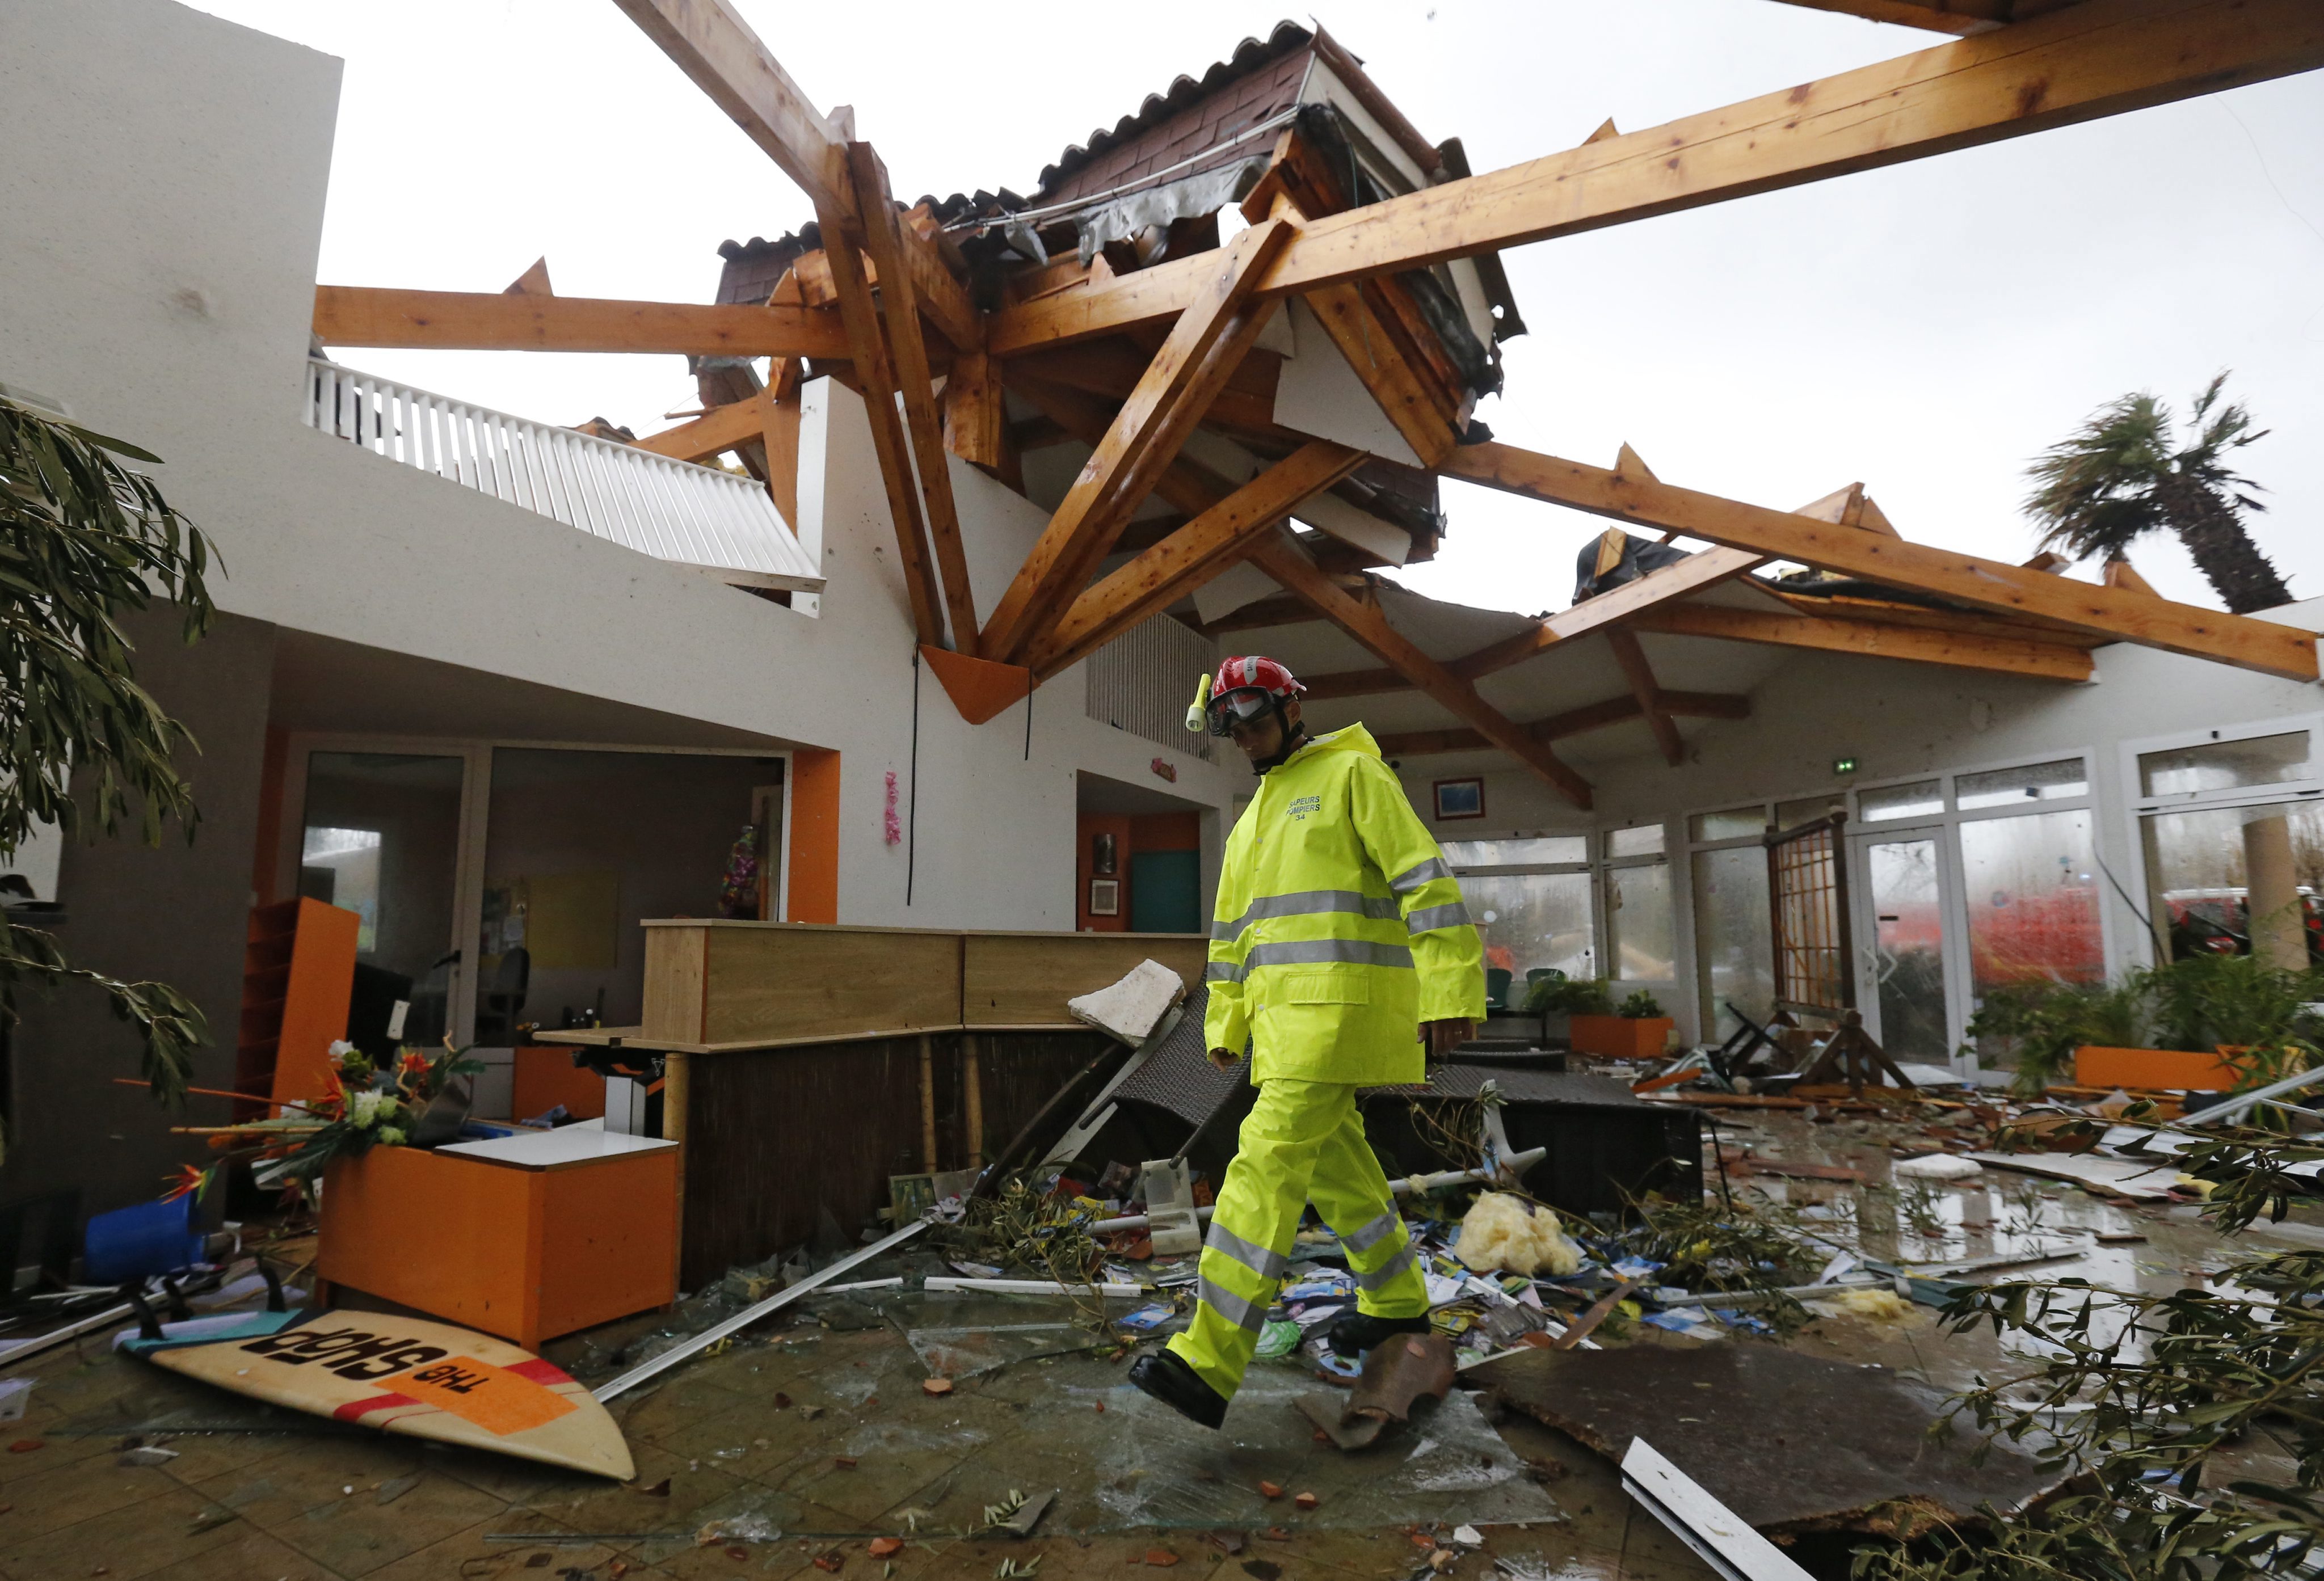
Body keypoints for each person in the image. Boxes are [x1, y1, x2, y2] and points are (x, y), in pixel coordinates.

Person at [1128, 655, 1483, 1428]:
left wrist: (1453, 990)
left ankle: (1207, 1360)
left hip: (1338, 1018)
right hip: (1287, 1028)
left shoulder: (1354, 776)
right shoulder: (1254, 817)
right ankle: (1396, 1305)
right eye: (1237, 730)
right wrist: (1225, 1025)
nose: (1250, 741)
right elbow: (1232, 940)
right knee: (1339, 1169)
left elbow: (1426, 881)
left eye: (1259, 723)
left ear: (1293, 709)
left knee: (1262, 1169)